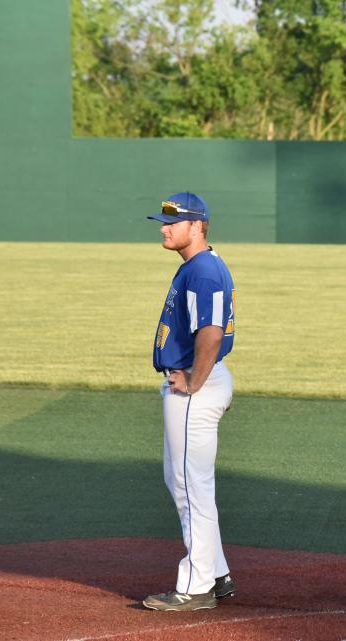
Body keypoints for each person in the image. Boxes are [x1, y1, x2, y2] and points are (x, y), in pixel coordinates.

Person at [142, 192, 238, 611]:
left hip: (195, 387)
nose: (164, 229)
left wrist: (194, 382)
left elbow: (211, 333)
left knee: (190, 485)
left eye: (172, 222)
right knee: (183, 482)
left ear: (197, 226)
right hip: (198, 382)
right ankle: (216, 572)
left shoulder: (203, 271)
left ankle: (197, 586)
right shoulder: (197, 266)